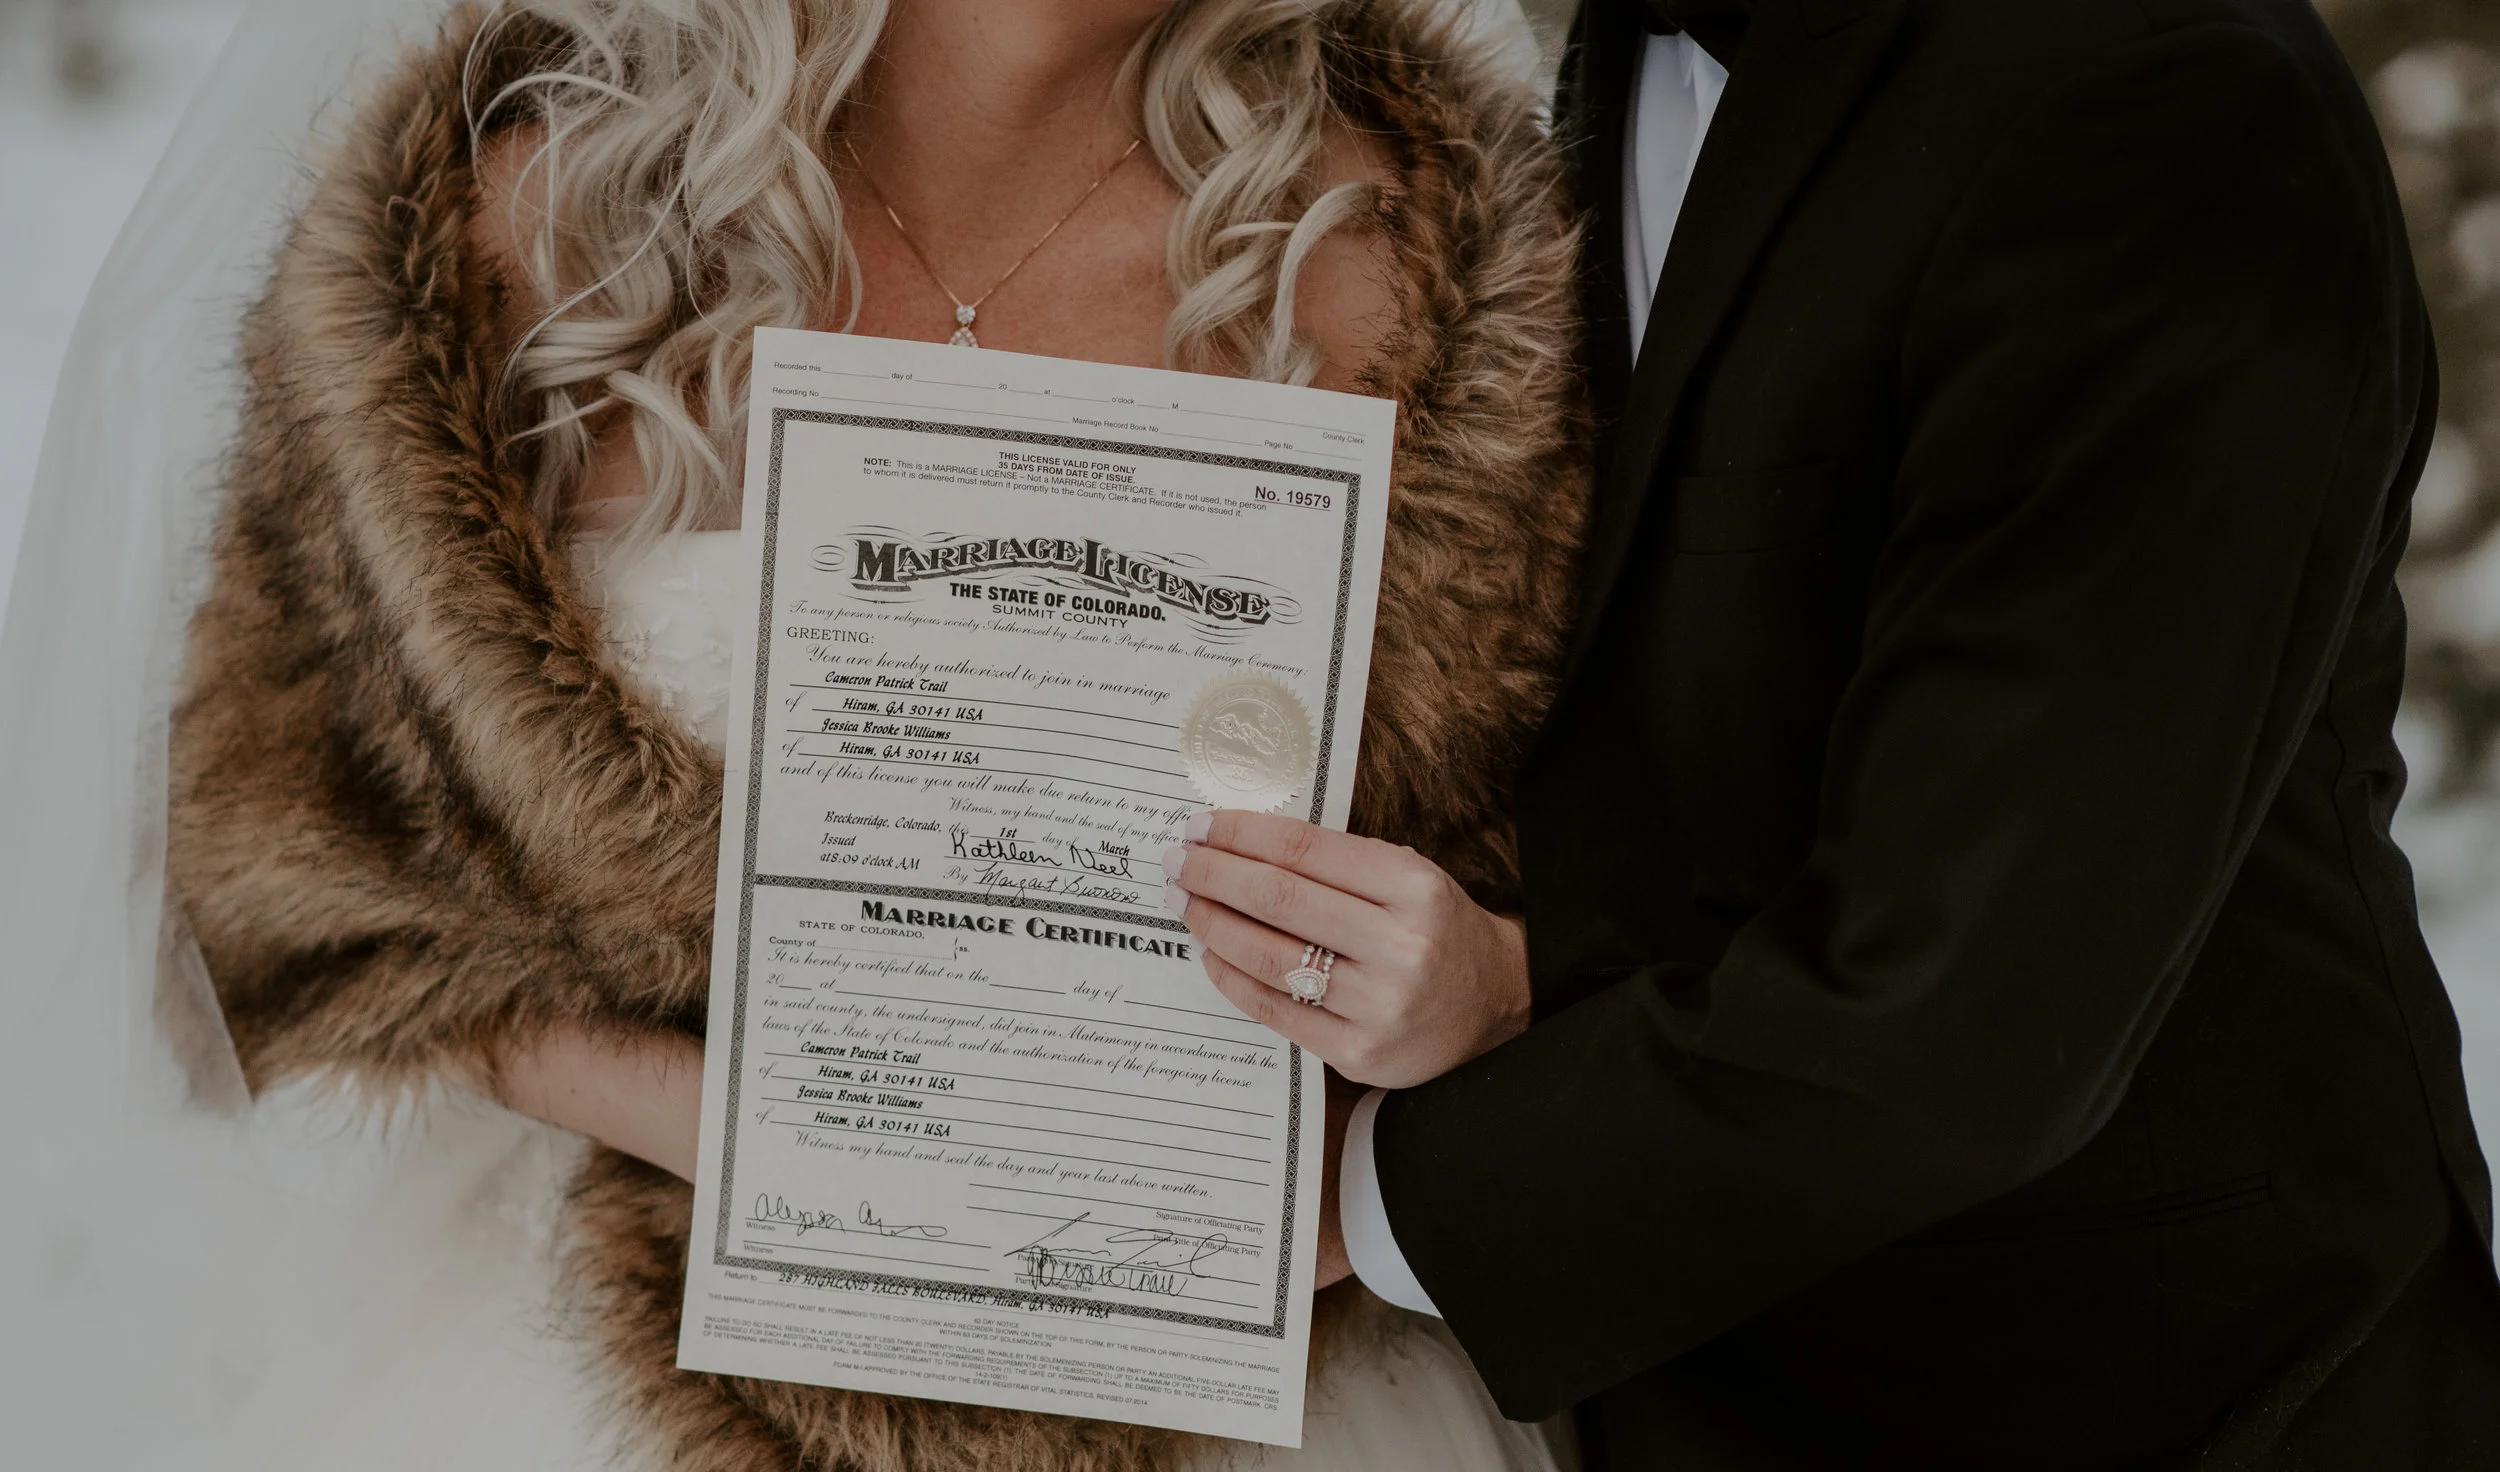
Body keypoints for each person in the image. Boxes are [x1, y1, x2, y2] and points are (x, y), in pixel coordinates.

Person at [1, 0, 1587, 1469]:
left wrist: (1468, 1008)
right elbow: (302, 893)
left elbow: (1610, 895)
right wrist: (776, 1147)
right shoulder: (521, 218)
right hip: (585, 1369)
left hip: (1253, 1392)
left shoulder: (1425, 253)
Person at [1162, 0, 2500, 1465]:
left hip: (2168, 1391)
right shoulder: (1626, 49)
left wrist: (1347, 1202)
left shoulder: (2171, 94)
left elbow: (1973, 1010)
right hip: (1710, 1381)